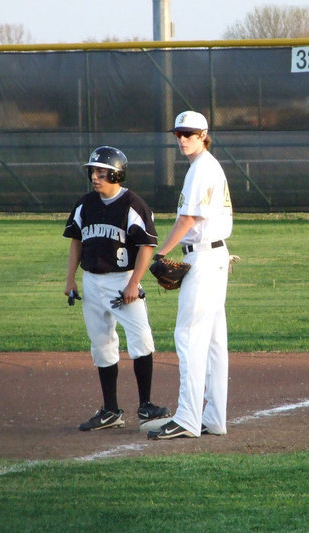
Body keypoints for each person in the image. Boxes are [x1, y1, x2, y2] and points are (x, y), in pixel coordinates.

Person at [63, 145, 170, 431]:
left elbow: (147, 245)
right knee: (101, 345)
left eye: (101, 172)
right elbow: (76, 241)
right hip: (92, 281)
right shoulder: (85, 204)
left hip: (123, 281)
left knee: (141, 338)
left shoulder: (133, 205)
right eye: (93, 172)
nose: (95, 177)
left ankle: (146, 406)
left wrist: (135, 282)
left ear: (117, 173)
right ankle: (111, 411)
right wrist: (70, 279)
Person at [147, 111, 233, 440]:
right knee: (212, 342)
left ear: (203, 135)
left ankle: (187, 417)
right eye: (178, 133)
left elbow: (187, 221)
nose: (182, 139)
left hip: (204, 259)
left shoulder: (201, 168)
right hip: (214, 257)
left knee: (189, 337)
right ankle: (213, 418)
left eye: (189, 133)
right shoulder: (207, 165)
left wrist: (162, 253)